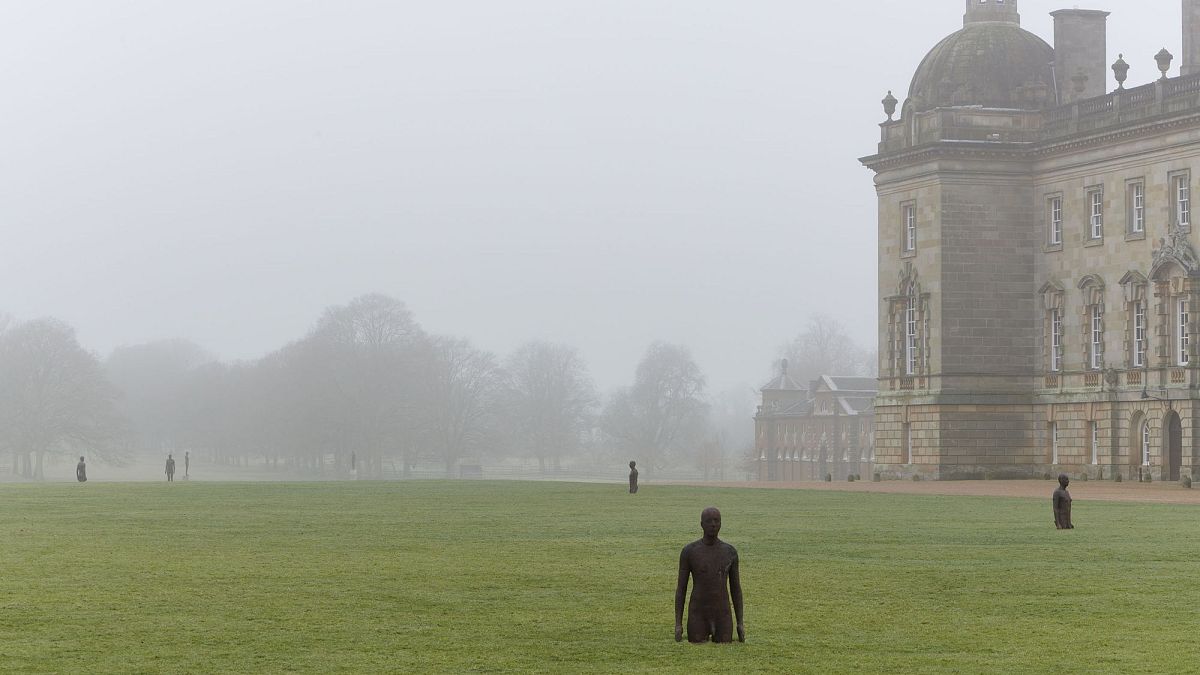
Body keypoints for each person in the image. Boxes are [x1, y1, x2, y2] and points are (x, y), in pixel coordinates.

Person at [675, 507, 745, 643]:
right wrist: (678, 624)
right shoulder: (690, 552)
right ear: (702, 524)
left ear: (721, 523)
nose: (713, 525)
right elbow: (681, 590)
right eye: (709, 521)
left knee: (725, 646)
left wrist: (740, 623)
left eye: (716, 521)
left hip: (723, 614)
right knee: (696, 645)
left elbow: (736, 589)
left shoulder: (730, 552)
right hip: (698, 613)